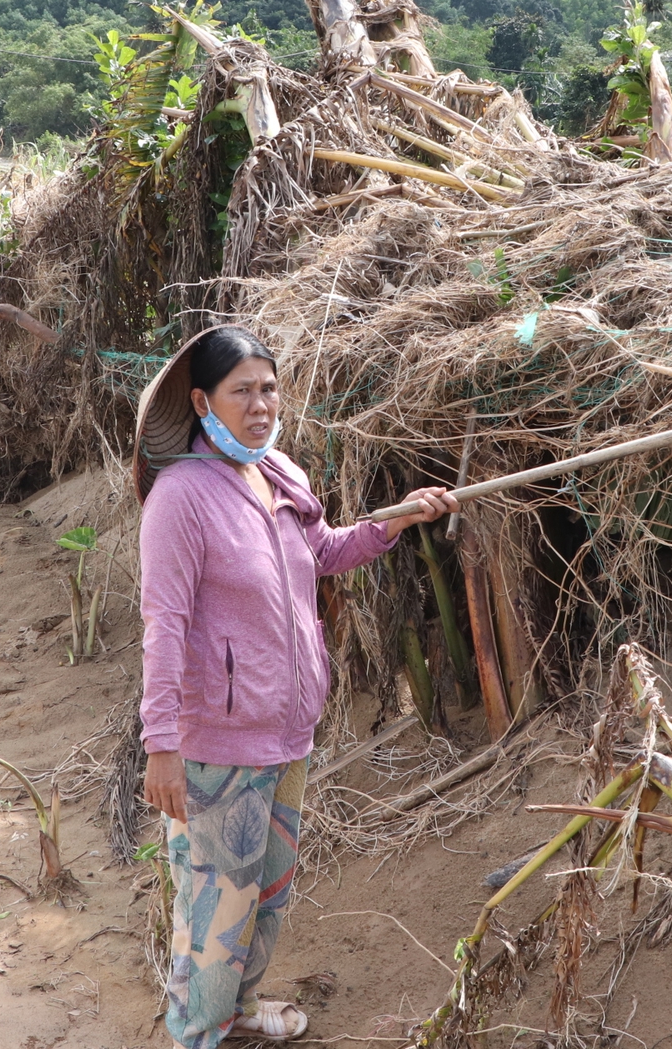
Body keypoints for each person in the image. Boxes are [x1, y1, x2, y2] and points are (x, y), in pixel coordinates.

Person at [134, 325, 458, 1047]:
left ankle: (239, 1010)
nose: (260, 404)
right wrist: (161, 745)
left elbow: (319, 551)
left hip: (287, 733)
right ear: (201, 400)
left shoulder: (279, 473)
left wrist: (394, 519)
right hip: (219, 744)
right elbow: (162, 625)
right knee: (219, 903)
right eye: (241, 391)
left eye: (269, 388)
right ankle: (200, 1033)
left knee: (268, 893)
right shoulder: (181, 498)